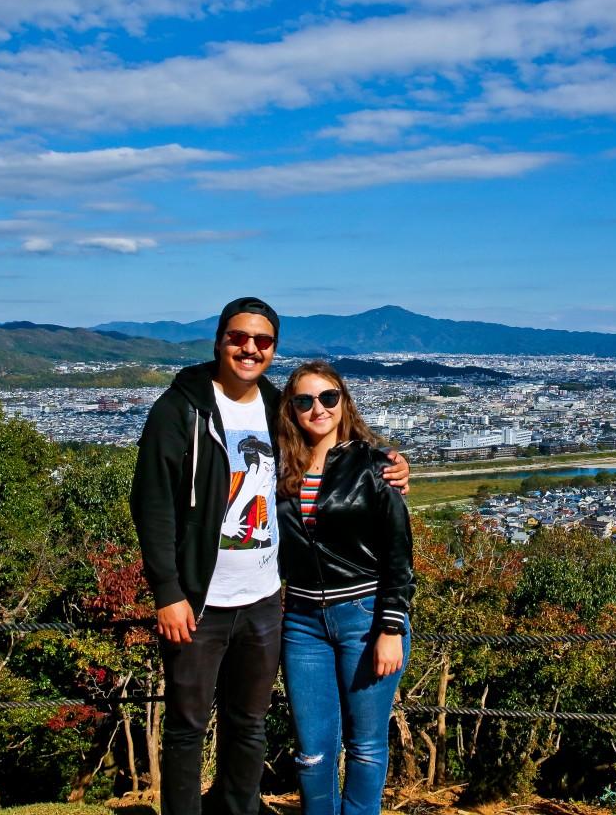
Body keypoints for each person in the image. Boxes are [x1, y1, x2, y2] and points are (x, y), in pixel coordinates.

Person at [130, 298, 408, 815]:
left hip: (265, 601)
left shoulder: (277, 408)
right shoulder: (181, 408)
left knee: (249, 723)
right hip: (199, 599)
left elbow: (337, 457)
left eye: (263, 341)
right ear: (219, 339)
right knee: (188, 725)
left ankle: (240, 809)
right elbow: (152, 504)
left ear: (274, 349)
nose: (250, 348)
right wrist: (167, 590)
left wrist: (390, 464)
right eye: (239, 337)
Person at [276, 360, 415, 815]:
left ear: (343, 401)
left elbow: (399, 554)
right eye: (305, 400)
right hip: (301, 620)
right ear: (291, 409)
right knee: (312, 748)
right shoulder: (276, 469)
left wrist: (391, 627)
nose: (318, 408)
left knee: (366, 744)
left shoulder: (377, 465)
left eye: (328, 397)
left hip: (365, 613)